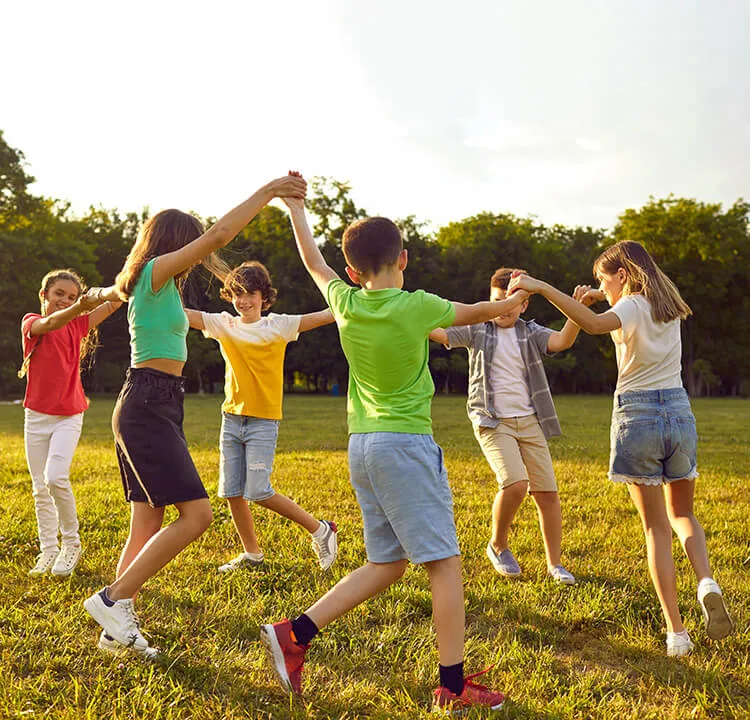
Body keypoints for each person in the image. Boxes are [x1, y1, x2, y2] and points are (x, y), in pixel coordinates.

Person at [261, 178, 531, 713]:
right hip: (405, 446)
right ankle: (452, 689)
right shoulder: (419, 305)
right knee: (446, 564)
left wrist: (295, 210)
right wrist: (525, 292)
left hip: (363, 446)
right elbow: (491, 312)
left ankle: (294, 633)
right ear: (403, 258)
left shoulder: (344, 300)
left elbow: (315, 262)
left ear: (354, 271)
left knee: (388, 563)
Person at [82, 174, 307, 659]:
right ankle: (112, 599)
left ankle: (113, 627)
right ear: (173, 244)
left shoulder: (150, 284)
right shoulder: (155, 271)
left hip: (152, 401)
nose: (198, 257)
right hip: (147, 403)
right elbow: (220, 237)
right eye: (192, 246)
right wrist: (269, 193)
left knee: (146, 521)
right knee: (198, 515)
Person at [508, 241, 734, 657]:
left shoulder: (629, 305)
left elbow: (595, 326)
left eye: (604, 279)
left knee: (655, 530)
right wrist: (596, 295)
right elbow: (611, 310)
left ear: (624, 276)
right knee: (683, 514)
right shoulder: (668, 304)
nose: (600, 286)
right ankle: (706, 581)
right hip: (679, 412)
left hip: (639, 415)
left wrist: (540, 287)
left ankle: (677, 634)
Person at [430, 267, 589, 586]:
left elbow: (561, 342)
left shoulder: (530, 332)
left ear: (524, 305)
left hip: (530, 421)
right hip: (492, 419)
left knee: (547, 493)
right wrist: (413, 313)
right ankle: (498, 544)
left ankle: (555, 564)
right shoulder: (478, 328)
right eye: (497, 301)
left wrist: (577, 310)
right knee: (515, 483)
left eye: (511, 302)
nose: (503, 308)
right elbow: (441, 332)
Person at [185, 260, 338, 573]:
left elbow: (329, 314)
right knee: (232, 492)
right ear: (230, 295)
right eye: (238, 293)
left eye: (251, 294)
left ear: (264, 298)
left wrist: (357, 293)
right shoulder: (223, 324)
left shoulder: (279, 325)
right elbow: (182, 314)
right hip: (231, 418)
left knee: (258, 491)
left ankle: (321, 529)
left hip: (263, 421)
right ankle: (252, 554)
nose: (244, 300)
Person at [21, 269, 122, 577]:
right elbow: (50, 322)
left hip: (69, 415)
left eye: (72, 296)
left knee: (55, 478)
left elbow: (115, 300)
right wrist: (81, 304)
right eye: (59, 295)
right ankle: (48, 550)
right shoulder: (30, 323)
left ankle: (71, 545)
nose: (65, 301)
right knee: (40, 488)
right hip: (35, 417)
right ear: (44, 295)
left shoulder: (79, 324)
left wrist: (116, 285)